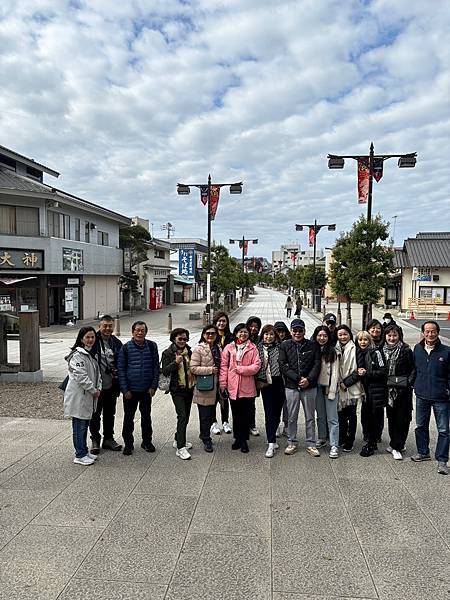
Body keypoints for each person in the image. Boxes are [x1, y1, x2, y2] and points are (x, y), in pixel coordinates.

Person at [411, 320, 449, 475]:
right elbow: (414, 369)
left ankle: (442, 460)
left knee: (443, 429)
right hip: (421, 395)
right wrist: (414, 384)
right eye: (427, 331)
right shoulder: (417, 349)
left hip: (441, 397)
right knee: (420, 425)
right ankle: (423, 452)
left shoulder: (446, 351)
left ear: (437, 332)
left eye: (433, 331)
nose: (430, 334)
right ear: (423, 333)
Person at [278, 318, 321, 456]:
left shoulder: (312, 345)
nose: (297, 333)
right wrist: (297, 378)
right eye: (295, 330)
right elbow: (283, 365)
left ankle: (311, 443)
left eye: (300, 330)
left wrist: (308, 379)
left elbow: (317, 364)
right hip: (291, 386)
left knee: (310, 416)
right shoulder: (285, 345)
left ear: (304, 331)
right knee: (292, 416)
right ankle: (292, 441)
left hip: (309, 386)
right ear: (291, 331)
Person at [117, 321, 159, 456]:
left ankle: (147, 441)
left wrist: (154, 386)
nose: (140, 333)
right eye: (137, 330)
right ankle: (128, 443)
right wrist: (125, 389)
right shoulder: (125, 348)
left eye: (142, 330)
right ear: (132, 332)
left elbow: (155, 368)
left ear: (146, 332)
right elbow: (121, 370)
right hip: (131, 390)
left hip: (146, 390)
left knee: (146, 417)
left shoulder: (152, 346)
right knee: (128, 418)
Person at [220, 323, 261, 453]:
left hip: (247, 387)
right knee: (236, 414)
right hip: (233, 386)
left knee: (246, 415)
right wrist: (223, 384)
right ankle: (237, 438)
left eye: (245, 332)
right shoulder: (229, 347)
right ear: (236, 333)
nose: (243, 334)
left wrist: (241, 369)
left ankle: (244, 440)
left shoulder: (252, 348)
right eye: (240, 332)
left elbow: (256, 366)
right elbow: (223, 366)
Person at [63, 326, 102, 465]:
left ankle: (84, 451)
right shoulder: (77, 355)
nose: (90, 340)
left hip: (88, 396)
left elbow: (97, 375)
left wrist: (98, 387)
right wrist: (94, 390)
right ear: (81, 339)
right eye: (87, 337)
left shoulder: (91, 354)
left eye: (92, 337)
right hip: (80, 397)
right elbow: (81, 377)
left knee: (84, 425)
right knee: (79, 426)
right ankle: (79, 454)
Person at [381, 324, 415, 460]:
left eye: (395, 335)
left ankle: (397, 446)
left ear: (399, 336)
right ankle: (395, 442)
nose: (392, 338)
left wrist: (406, 383)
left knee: (403, 419)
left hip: (403, 391)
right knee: (392, 419)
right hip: (388, 391)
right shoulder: (380, 350)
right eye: (389, 335)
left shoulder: (406, 350)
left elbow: (413, 369)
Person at [89, 315, 123, 454]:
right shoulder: (92, 340)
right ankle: (95, 439)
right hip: (96, 385)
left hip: (111, 385)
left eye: (110, 326)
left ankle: (108, 438)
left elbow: (121, 362)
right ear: (99, 326)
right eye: (105, 326)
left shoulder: (116, 342)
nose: (108, 328)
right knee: (95, 414)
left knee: (110, 413)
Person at [161, 328, 195, 460]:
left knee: (186, 416)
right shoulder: (168, 353)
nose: (182, 341)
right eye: (180, 339)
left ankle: (178, 439)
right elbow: (165, 371)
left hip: (189, 388)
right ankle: (181, 447)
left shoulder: (189, 351)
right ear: (174, 338)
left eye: (185, 339)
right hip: (177, 390)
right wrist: (176, 363)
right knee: (182, 416)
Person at [355, 331, 388, 457]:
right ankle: (368, 439)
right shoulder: (358, 353)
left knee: (375, 417)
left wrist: (367, 373)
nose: (363, 342)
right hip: (364, 391)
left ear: (370, 341)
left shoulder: (376, 352)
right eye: (360, 340)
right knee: (365, 416)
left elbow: (383, 371)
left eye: (365, 340)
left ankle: (372, 442)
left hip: (376, 390)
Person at [190, 324, 221, 453]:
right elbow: (193, 368)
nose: (210, 335)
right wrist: (210, 370)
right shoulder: (198, 349)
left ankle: (204, 434)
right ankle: (206, 438)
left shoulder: (218, 348)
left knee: (211, 413)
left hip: (217, 385)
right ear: (203, 335)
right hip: (205, 386)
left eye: (213, 333)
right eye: (207, 333)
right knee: (205, 415)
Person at [256, 324, 285, 458]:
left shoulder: (281, 347)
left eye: (271, 334)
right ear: (263, 335)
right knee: (269, 412)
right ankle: (271, 442)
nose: (269, 337)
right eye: (266, 334)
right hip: (265, 382)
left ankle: (272, 434)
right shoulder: (257, 348)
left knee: (277, 411)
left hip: (279, 382)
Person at [312, 326, 340, 459]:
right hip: (316, 387)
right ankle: (322, 437)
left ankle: (334, 444)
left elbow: (335, 373)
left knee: (332, 418)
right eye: (319, 335)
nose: (322, 338)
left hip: (330, 388)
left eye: (325, 336)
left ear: (329, 337)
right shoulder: (312, 349)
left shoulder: (333, 351)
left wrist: (333, 391)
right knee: (320, 416)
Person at [336, 325, 364, 452]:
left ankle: (350, 440)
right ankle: (342, 437)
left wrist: (345, 383)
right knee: (340, 415)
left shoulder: (356, 348)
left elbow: (360, 370)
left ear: (350, 335)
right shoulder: (335, 348)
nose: (343, 337)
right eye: (340, 334)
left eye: (345, 334)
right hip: (337, 387)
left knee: (352, 415)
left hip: (351, 387)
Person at [211, 311, 233, 435]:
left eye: (224, 321)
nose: (221, 323)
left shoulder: (230, 336)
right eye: (219, 321)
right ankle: (213, 422)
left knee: (224, 397)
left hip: (227, 373)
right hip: (213, 372)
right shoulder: (210, 335)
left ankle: (225, 422)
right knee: (213, 398)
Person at [362, 318, 384, 441]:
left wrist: (368, 373)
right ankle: (366, 434)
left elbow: (382, 370)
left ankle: (377, 435)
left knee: (378, 411)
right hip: (365, 384)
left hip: (378, 384)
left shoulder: (384, 343)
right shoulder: (363, 344)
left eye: (378, 328)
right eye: (373, 328)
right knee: (365, 410)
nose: (375, 330)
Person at [245, 316, 262, 435]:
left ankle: (252, 425)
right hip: (242, 375)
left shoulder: (260, 340)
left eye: (256, 327)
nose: (253, 328)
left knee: (251, 402)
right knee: (242, 402)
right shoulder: (242, 338)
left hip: (255, 376)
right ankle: (243, 425)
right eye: (251, 326)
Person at [274, 321, 291, 436]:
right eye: (278, 331)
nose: (281, 334)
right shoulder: (271, 344)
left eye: (282, 331)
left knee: (287, 404)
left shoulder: (290, 343)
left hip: (288, 379)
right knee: (275, 404)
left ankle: (286, 425)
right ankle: (275, 425)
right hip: (275, 379)